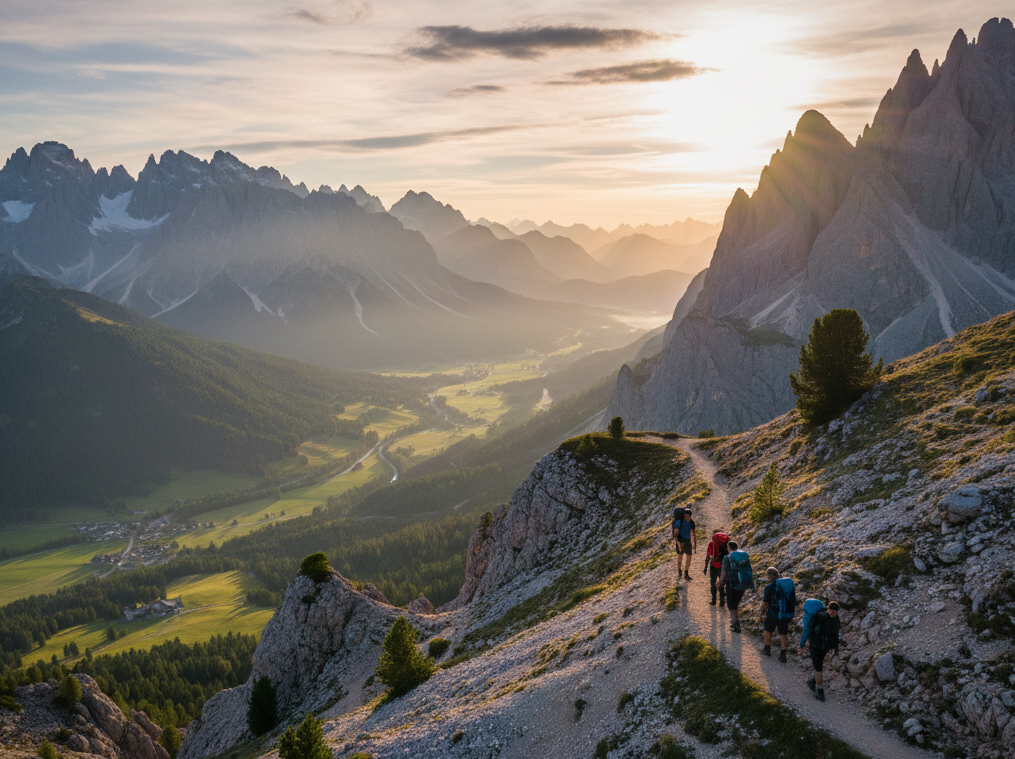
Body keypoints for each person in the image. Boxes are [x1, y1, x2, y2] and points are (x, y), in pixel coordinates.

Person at [798, 600, 841, 702]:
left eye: (834, 613)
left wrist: (835, 646)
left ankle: (813, 682)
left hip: (824, 646)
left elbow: (835, 633)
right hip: (816, 646)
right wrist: (802, 645)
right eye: (831, 612)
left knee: (819, 666)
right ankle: (820, 690)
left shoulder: (836, 620)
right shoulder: (819, 617)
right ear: (828, 609)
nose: (832, 614)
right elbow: (808, 631)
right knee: (819, 668)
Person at [758, 567, 795, 663]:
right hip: (785, 614)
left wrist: (761, 615)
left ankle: (767, 649)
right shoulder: (785, 586)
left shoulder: (769, 587)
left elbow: (765, 603)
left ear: (769, 576)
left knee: (768, 631)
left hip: (773, 613)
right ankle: (783, 655)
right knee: (783, 634)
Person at [718, 541, 752, 632]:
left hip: (732, 584)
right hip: (743, 583)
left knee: (731, 604)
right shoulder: (743, 556)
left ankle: (735, 625)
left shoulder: (727, 557)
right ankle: (736, 622)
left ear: (729, 548)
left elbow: (724, 573)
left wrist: (721, 584)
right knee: (736, 602)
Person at [702, 531, 730, 606]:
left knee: (713, 583)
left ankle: (713, 600)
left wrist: (705, 567)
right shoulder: (725, 545)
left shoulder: (711, 544)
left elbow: (708, 556)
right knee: (722, 584)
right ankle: (722, 602)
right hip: (723, 567)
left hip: (714, 566)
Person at [671, 507, 696, 580]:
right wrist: (678, 544)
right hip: (680, 540)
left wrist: (693, 542)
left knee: (689, 557)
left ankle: (686, 573)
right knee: (680, 557)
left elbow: (692, 532)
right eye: (685, 516)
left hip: (687, 541)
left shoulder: (691, 522)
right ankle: (679, 571)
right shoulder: (679, 522)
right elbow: (675, 535)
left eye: (688, 517)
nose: (687, 518)